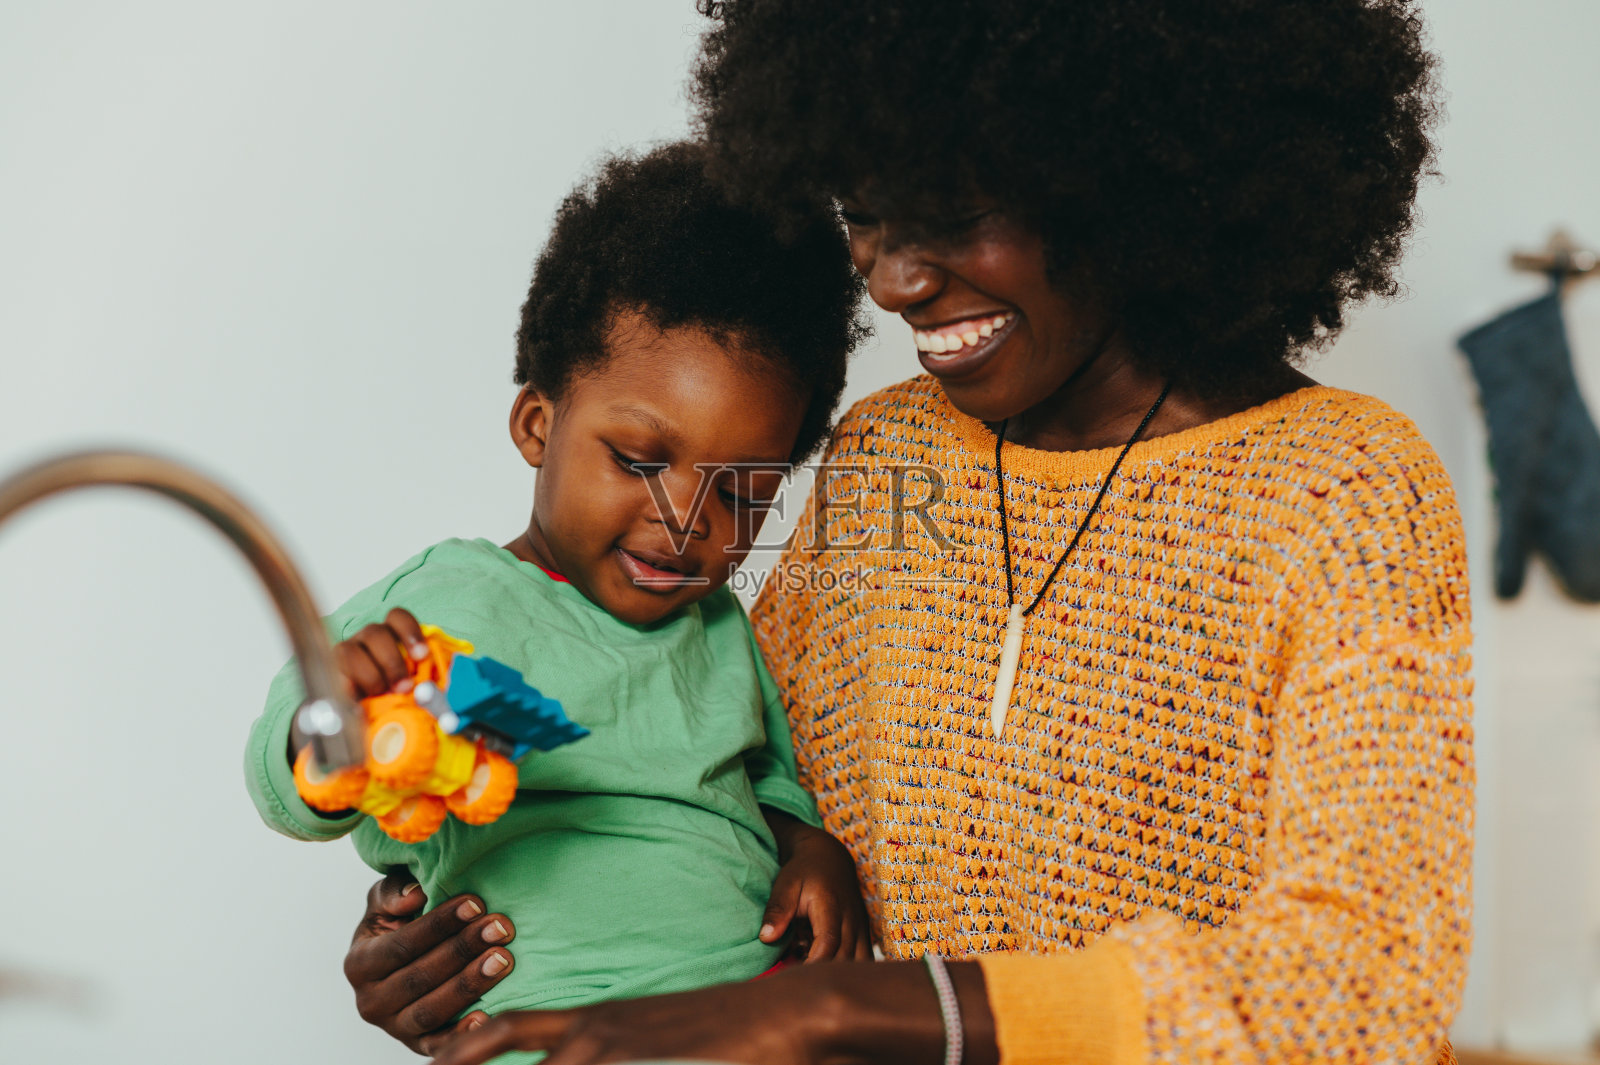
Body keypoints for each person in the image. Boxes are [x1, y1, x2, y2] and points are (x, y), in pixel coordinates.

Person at [343, 4, 1474, 1064]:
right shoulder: (889, 459)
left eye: (953, 215)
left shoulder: (1345, 492)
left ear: (1127, 172)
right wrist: (461, 910)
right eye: (866, 218)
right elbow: (693, 770)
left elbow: (1360, 985)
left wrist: (839, 1008)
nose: (892, 281)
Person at [244, 141, 875, 1058]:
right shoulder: (446, 601)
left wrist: (809, 848)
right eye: (639, 461)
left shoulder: (719, 626)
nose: (685, 519)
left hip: (752, 1010)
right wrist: (328, 726)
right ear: (538, 424)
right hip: (551, 1026)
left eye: (740, 493)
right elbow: (288, 777)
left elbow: (768, 774)